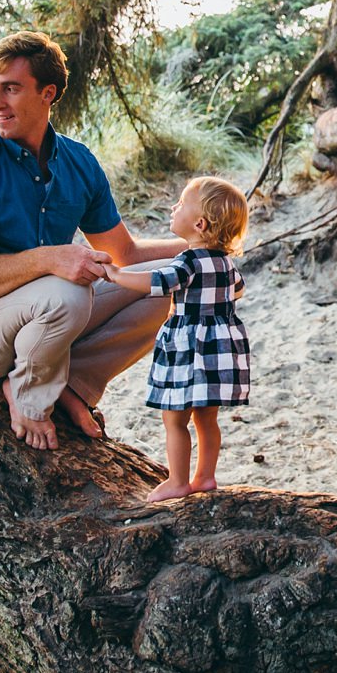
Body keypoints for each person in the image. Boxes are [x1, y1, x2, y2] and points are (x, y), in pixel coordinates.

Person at [0, 31, 186, 450]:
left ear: (47, 93)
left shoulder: (79, 162)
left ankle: (74, 384)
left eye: (11, 89)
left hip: (48, 312)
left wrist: (203, 252)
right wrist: (52, 258)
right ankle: (28, 400)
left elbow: (124, 254)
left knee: (169, 283)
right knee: (65, 292)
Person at [102, 177, 251, 501]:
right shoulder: (225, 263)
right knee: (206, 419)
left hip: (189, 348)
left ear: (199, 224)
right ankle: (205, 477)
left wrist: (115, 275)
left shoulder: (188, 261)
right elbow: (238, 289)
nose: (174, 207)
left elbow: (157, 282)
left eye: (181, 203)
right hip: (218, 349)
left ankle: (178, 481)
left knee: (174, 419)